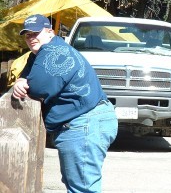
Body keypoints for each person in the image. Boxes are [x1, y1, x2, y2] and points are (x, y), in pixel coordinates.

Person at [12, 14, 118, 193]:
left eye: (36, 33)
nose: (31, 38)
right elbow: (28, 73)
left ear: (49, 32)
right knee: (78, 185)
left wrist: (24, 83)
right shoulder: (42, 53)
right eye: (27, 35)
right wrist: (20, 80)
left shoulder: (54, 52)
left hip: (84, 124)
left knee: (83, 189)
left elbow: (38, 87)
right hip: (86, 122)